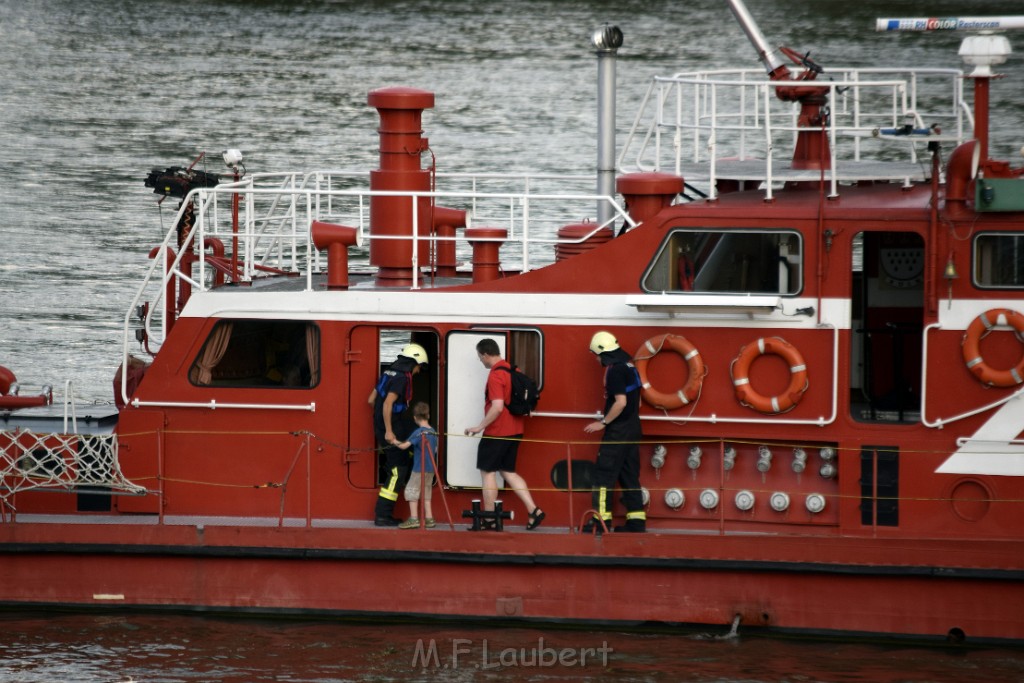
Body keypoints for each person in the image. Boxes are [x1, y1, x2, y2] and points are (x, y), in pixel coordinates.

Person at [464, 338, 545, 531]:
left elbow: (498, 407)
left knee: (488, 471)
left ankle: (490, 518)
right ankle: (534, 510)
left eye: (479, 357)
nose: (480, 361)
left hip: (497, 432)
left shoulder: (495, 376)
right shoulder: (513, 370)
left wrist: (480, 426)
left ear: (485, 354)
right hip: (516, 430)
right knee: (508, 471)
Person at [583, 331, 646, 533]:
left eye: (597, 354)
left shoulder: (616, 370)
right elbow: (638, 400)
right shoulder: (630, 367)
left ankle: (601, 523)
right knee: (629, 476)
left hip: (618, 430)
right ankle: (636, 522)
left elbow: (620, 402)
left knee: (603, 476)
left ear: (604, 353)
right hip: (633, 427)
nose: (596, 358)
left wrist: (603, 422)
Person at [368, 343, 428, 527]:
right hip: (391, 426)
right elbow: (388, 404)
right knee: (397, 470)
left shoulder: (388, 372)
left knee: (416, 435)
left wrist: (381, 423)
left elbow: (371, 400)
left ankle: (409, 455)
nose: (418, 371)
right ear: (414, 362)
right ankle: (383, 514)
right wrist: (389, 430)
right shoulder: (402, 378)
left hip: (387, 424)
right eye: (419, 367)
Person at [392, 401, 438, 529]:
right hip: (430, 468)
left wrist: (394, 440)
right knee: (426, 492)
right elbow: (435, 450)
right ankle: (429, 519)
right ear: (428, 416)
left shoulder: (419, 432)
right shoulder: (433, 431)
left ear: (415, 418)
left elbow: (404, 446)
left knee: (411, 490)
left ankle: (414, 519)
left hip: (419, 468)